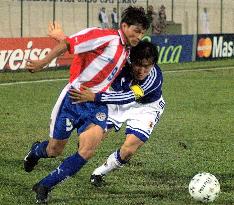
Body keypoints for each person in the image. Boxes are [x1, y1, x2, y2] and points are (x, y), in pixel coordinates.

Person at [23, 6, 149, 204]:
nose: (139, 36)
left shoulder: (129, 51)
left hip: (95, 104)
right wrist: (43, 62)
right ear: (124, 25)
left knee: (88, 150)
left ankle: (45, 185)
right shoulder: (106, 37)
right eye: (136, 31)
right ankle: (37, 151)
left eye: (142, 33)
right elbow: (72, 43)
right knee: (54, 150)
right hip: (73, 98)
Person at [69, 41, 165, 187]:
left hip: (146, 108)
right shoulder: (121, 62)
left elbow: (128, 98)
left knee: (129, 149)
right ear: (131, 60)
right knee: (89, 139)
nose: (141, 70)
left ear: (153, 65)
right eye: (138, 64)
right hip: (116, 99)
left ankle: (99, 173)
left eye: (147, 66)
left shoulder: (154, 78)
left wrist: (95, 97)